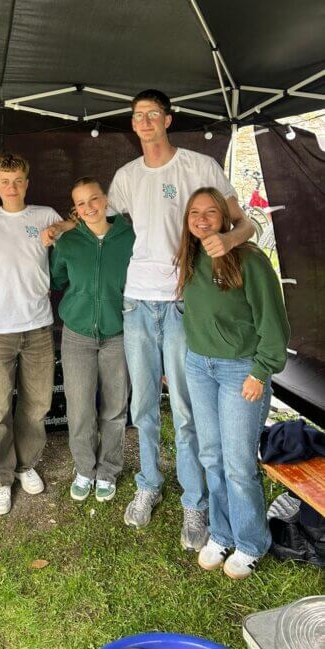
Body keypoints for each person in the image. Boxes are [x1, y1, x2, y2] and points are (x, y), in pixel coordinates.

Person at [43, 89, 254, 551]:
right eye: (137, 115)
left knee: (184, 409)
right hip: (135, 305)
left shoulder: (200, 166)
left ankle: (194, 502)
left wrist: (230, 240)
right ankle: (149, 484)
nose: (144, 121)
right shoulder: (126, 176)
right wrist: (61, 226)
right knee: (142, 406)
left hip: (181, 302)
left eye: (152, 114)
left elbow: (245, 223)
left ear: (168, 119)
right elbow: (96, 216)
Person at [176, 187, 289, 578]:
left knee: (239, 463)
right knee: (211, 455)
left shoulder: (250, 261)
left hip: (239, 370)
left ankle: (251, 542)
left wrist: (261, 371)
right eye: (194, 212)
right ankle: (222, 533)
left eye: (211, 212)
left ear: (226, 219)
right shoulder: (189, 257)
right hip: (199, 367)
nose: (202, 219)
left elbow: (274, 323)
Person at [0, 153, 62, 516]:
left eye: (18, 181)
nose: (12, 187)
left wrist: (59, 229)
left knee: (37, 404)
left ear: (27, 182)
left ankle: (26, 465)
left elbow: (76, 225)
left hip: (38, 324)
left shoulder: (45, 215)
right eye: (5, 182)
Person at [50, 178, 135, 502]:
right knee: (80, 408)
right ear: (75, 209)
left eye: (94, 199)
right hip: (77, 336)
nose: (89, 207)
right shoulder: (68, 241)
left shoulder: (129, 237)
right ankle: (85, 468)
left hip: (117, 334)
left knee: (114, 407)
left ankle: (108, 470)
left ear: (105, 199)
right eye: (81, 203)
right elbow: (57, 278)